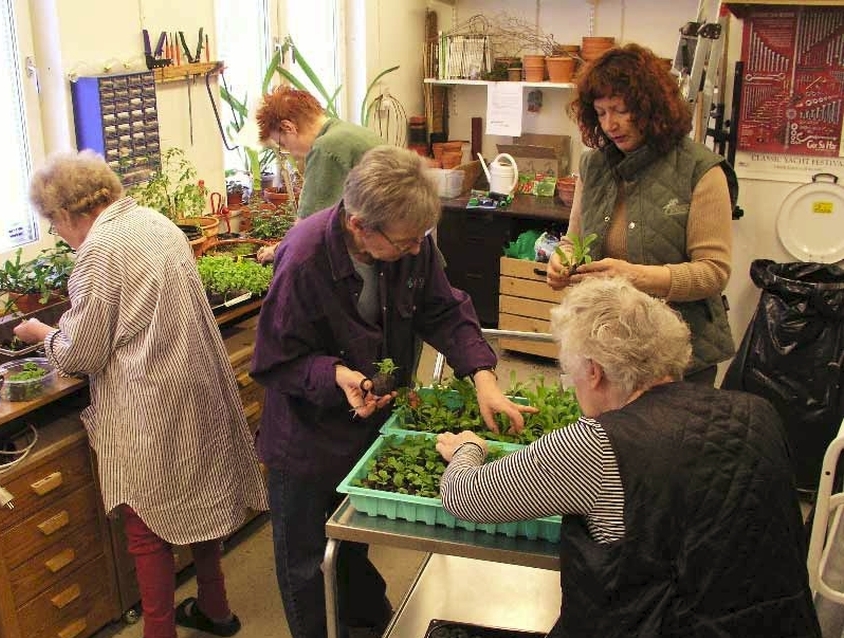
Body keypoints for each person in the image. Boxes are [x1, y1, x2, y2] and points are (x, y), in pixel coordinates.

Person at [250, 145, 531, 638]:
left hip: (367, 428)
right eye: (404, 242)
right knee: (306, 563)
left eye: (421, 238)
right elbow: (275, 362)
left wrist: (483, 379)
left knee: (353, 541)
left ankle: (373, 625)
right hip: (307, 442)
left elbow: (443, 309)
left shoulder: (405, 247)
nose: (416, 250)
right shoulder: (303, 260)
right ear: (360, 226)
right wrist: (333, 374)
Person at [437, 276, 820, 637]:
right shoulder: (758, 413)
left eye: (570, 375)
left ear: (594, 372)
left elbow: (465, 495)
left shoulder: (599, 444)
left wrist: (468, 447)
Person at [14, 150, 268, 638]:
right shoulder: (158, 224)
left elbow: (77, 355)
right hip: (195, 387)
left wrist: (40, 335)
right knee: (201, 498)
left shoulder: (99, 252)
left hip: (149, 402)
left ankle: (159, 631)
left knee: (145, 522)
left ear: (66, 213)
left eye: (54, 224)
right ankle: (217, 610)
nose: (60, 235)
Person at [546, 43, 739, 385]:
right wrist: (562, 259)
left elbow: (713, 272)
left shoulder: (700, 169)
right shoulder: (594, 165)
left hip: (680, 356)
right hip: (609, 348)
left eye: (620, 110)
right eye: (601, 113)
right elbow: (574, 238)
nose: (611, 124)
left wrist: (637, 276)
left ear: (649, 107)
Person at [253, 85, 383, 263]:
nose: (288, 151)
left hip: (381, 250)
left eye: (282, 143)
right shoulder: (348, 132)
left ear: (288, 127)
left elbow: (308, 230)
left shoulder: (326, 147)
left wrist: (276, 251)